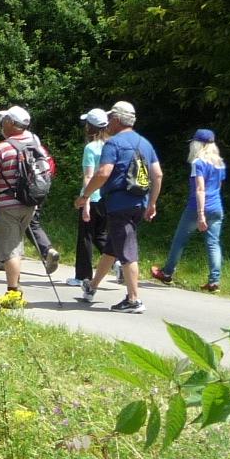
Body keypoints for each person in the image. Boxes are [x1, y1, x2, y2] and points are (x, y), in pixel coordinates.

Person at [74, 100, 162, 313]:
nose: (108, 123)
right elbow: (157, 174)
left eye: (110, 118)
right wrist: (152, 203)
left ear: (116, 120)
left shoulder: (113, 144)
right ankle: (92, 287)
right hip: (139, 203)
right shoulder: (144, 143)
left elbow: (103, 173)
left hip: (119, 205)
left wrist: (85, 196)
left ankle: (133, 300)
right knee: (112, 248)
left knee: (127, 251)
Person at [0, 106, 59, 309]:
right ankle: (17, 288)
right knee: (16, 245)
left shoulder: (1, 149)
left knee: (10, 250)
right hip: (31, 203)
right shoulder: (36, 146)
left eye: (5, 119)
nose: (2, 123)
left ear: (10, 123)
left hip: (9, 205)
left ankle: (13, 294)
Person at [152, 128, 227, 291]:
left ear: (198, 144)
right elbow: (218, 187)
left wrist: (200, 214)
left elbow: (200, 189)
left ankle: (167, 273)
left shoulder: (197, 163)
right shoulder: (220, 164)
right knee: (213, 244)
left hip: (196, 208)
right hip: (217, 207)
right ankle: (214, 282)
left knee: (179, 241)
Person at [73, 107, 108, 288]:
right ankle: (118, 261)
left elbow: (88, 176)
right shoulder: (112, 145)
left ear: (90, 127)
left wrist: (84, 199)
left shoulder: (90, 148)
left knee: (85, 236)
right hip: (108, 197)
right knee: (100, 234)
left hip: (92, 196)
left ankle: (83, 276)